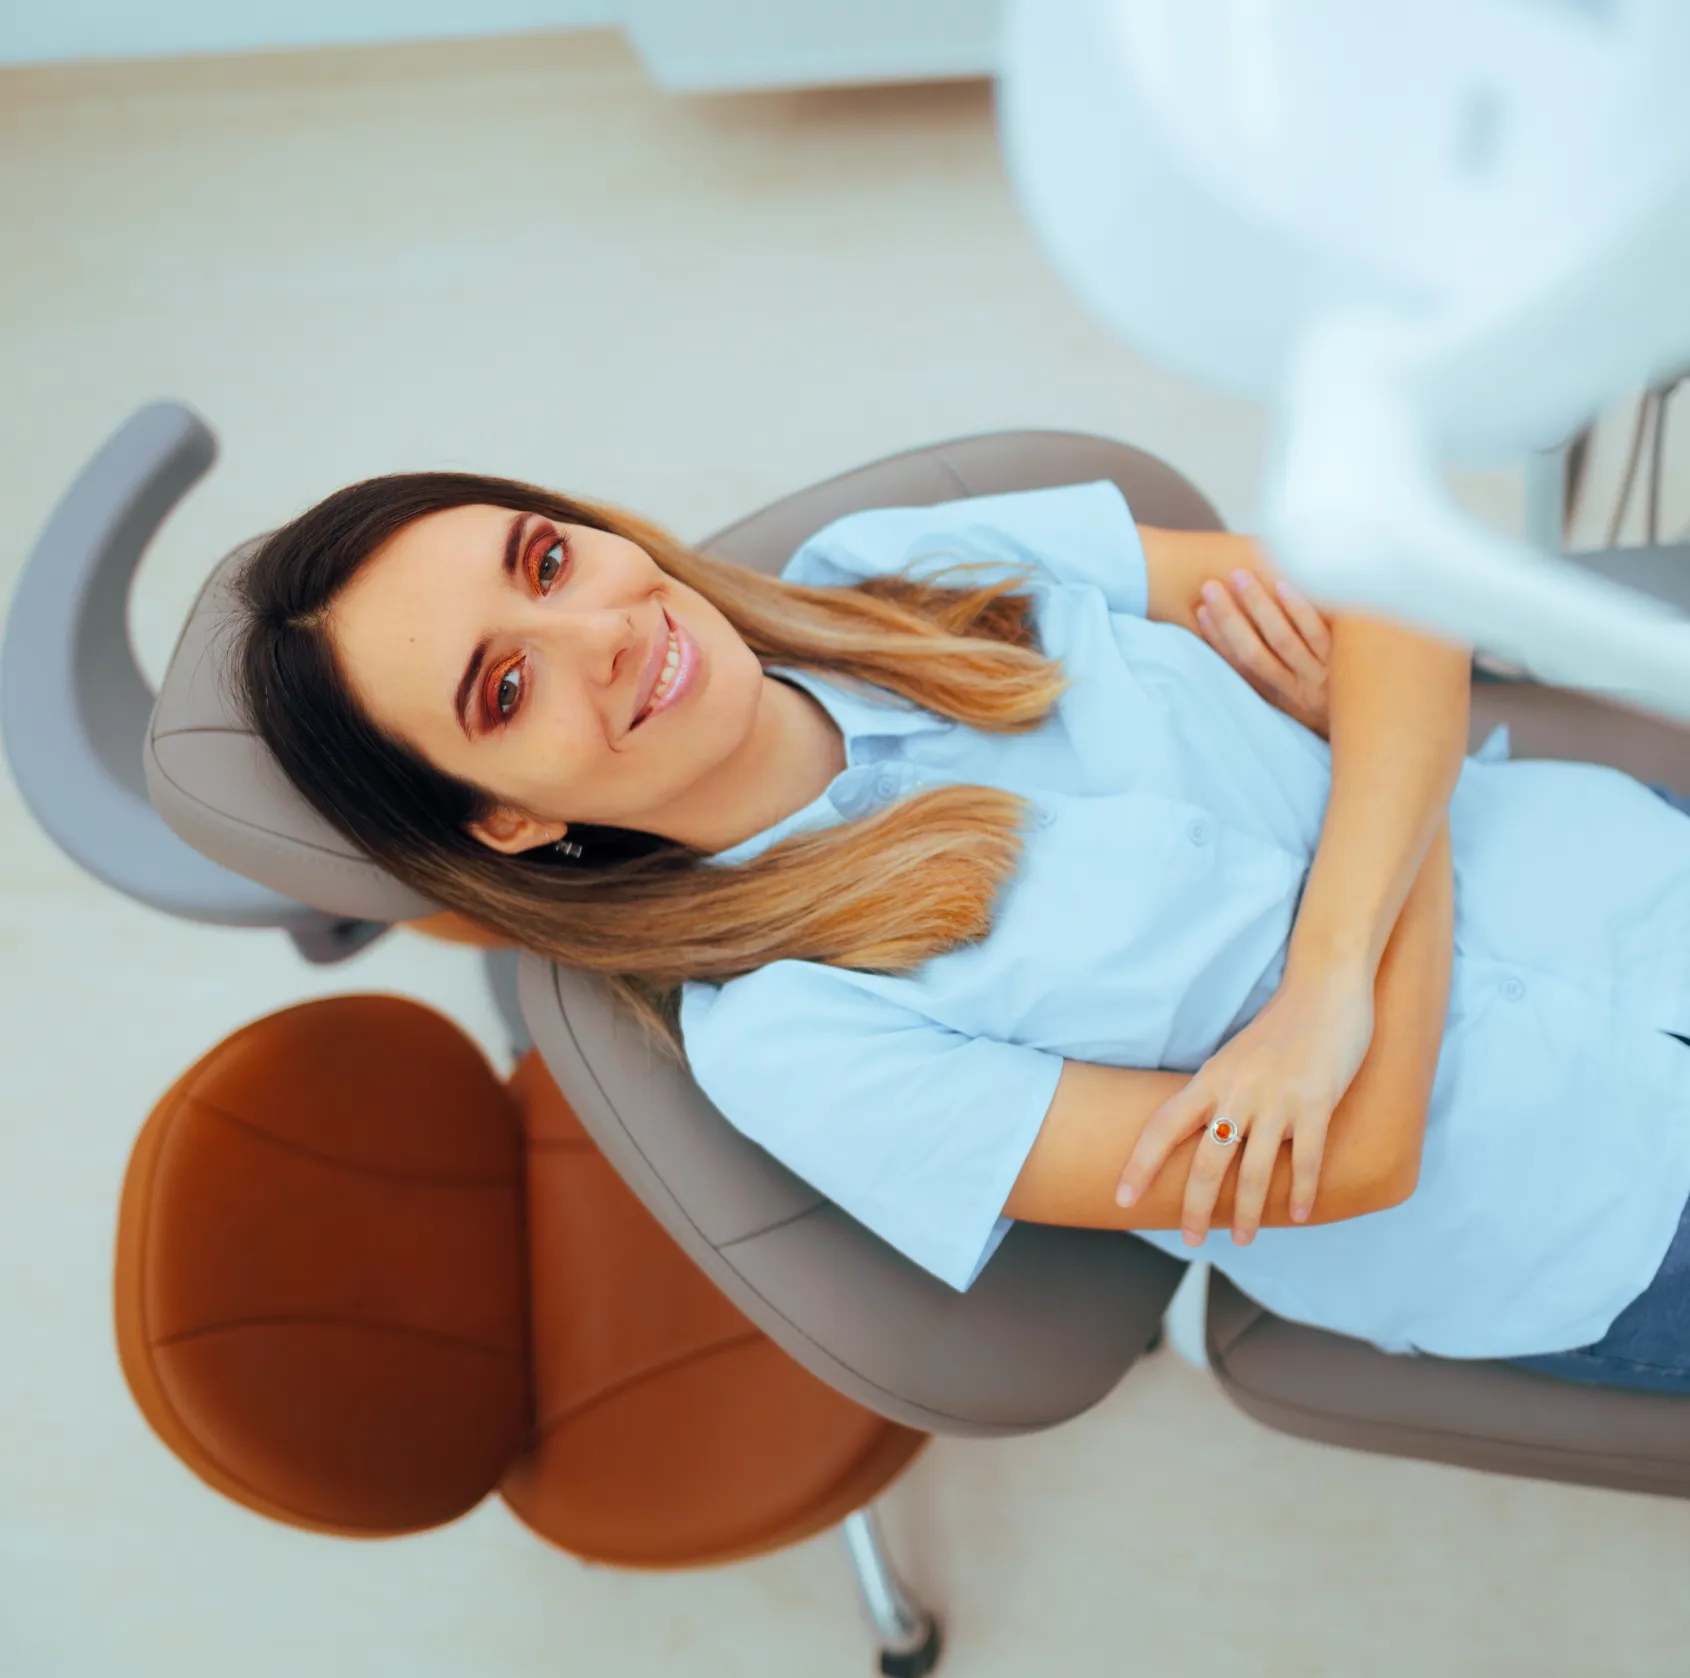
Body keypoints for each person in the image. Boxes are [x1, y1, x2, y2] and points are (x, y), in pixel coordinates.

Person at [233, 470, 1690, 1394]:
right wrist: (1377, 765)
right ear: (501, 820)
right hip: (1600, 1214)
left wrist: (1326, 973)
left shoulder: (902, 563)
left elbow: (1396, 602)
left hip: (1630, 871)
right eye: (504, 690)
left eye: (545, 564)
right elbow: (1360, 1153)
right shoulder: (791, 1038)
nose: (600, 632)